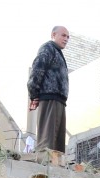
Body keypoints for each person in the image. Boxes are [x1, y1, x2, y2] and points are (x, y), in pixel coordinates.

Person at [27, 26, 69, 154]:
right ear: (53, 34)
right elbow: (36, 71)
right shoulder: (48, 49)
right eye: (63, 35)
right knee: (47, 144)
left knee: (58, 147)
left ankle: (56, 171)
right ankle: (43, 170)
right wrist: (33, 95)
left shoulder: (57, 52)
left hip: (59, 101)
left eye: (68, 37)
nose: (66, 39)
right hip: (50, 99)